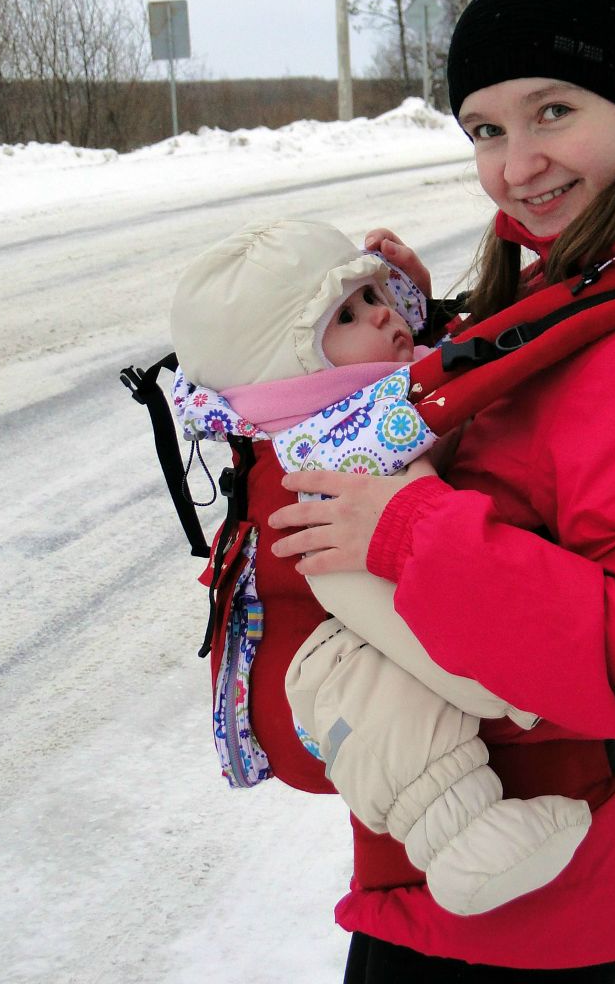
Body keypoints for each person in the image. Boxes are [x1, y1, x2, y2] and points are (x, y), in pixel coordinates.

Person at [268, 0, 615, 982]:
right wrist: (437, 326)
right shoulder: (592, 274)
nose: (516, 164)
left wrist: (408, 529)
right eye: (486, 128)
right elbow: (551, 421)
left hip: (525, 912)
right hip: (481, 885)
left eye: (555, 110)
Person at [170, 219, 591, 916]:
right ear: (294, 363)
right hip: (320, 694)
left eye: (376, 294)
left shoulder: (358, 413)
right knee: (382, 696)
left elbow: (449, 384)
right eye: (348, 313)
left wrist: (429, 310)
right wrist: (500, 677)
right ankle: (470, 845)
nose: (384, 315)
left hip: (355, 645)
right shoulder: (316, 470)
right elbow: (364, 593)